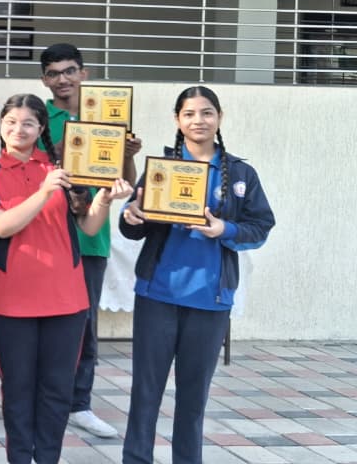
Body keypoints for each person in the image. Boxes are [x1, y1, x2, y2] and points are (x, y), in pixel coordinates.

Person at [120, 86, 274, 464]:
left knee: (193, 399)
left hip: (210, 299)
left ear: (219, 117)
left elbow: (261, 226)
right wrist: (132, 216)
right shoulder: (161, 169)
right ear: (177, 120)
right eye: (189, 114)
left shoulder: (241, 173)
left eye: (207, 113)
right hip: (158, 295)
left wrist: (225, 229)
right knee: (145, 394)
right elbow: (132, 226)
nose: (198, 120)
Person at [0, 94, 131, 464]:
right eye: (11, 122)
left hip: (66, 296)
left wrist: (105, 198)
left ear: (41, 128)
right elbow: (1, 226)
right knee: (18, 389)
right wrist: (44, 191)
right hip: (12, 297)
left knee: (58, 390)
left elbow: (88, 226)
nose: (18, 129)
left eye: (28, 123)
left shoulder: (64, 169)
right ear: (1, 126)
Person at [37, 43, 142, 439]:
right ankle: (44, 398)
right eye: (53, 73)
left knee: (84, 325)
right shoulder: (39, 117)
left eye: (69, 71)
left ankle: (80, 404)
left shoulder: (108, 115)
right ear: (44, 80)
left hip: (90, 239)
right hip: (47, 235)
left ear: (84, 73)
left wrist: (127, 152)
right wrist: (65, 147)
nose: (62, 79)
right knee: (44, 323)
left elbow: (125, 182)